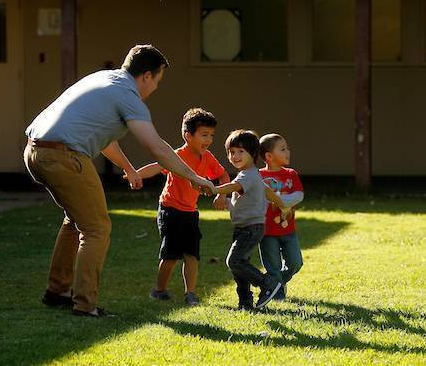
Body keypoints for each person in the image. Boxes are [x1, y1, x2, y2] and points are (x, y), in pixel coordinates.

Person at [23, 44, 215, 317]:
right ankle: (85, 305)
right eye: (158, 81)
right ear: (147, 75)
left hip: (35, 151)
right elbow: (158, 149)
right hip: (64, 156)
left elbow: (105, 138)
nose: (156, 88)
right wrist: (195, 177)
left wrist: (129, 168)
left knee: (76, 219)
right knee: (97, 228)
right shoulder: (128, 95)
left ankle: (57, 291)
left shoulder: (102, 79)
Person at [135, 108, 230, 305]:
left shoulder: (208, 157)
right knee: (171, 255)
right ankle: (159, 290)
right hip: (170, 210)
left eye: (211, 135)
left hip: (190, 212)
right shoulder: (177, 155)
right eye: (204, 135)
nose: (209, 140)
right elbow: (156, 166)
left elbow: (223, 175)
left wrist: (222, 194)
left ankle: (191, 293)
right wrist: (134, 174)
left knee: (192, 254)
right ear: (188, 135)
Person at [213, 129, 285, 311]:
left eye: (240, 151)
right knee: (240, 269)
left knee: (234, 261)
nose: (234, 156)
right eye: (231, 152)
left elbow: (234, 186)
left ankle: (267, 283)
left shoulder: (248, 175)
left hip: (251, 228)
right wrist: (227, 202)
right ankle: (245, 303)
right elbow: (251, 198)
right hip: (245, 226)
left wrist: (215, 190)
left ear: (252, 153)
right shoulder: (250, 174)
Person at [259, 133, 304, 301]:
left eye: (287, 148)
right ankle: (277, 295)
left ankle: (276, 282)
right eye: (283, 149)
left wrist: (281, 202)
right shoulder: (258, 176)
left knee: (295, 263)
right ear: (269, 156)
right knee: (273, 266)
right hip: (266, 231)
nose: (288, 152)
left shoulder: (291, 174)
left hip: (288, 229)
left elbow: (299, 195)